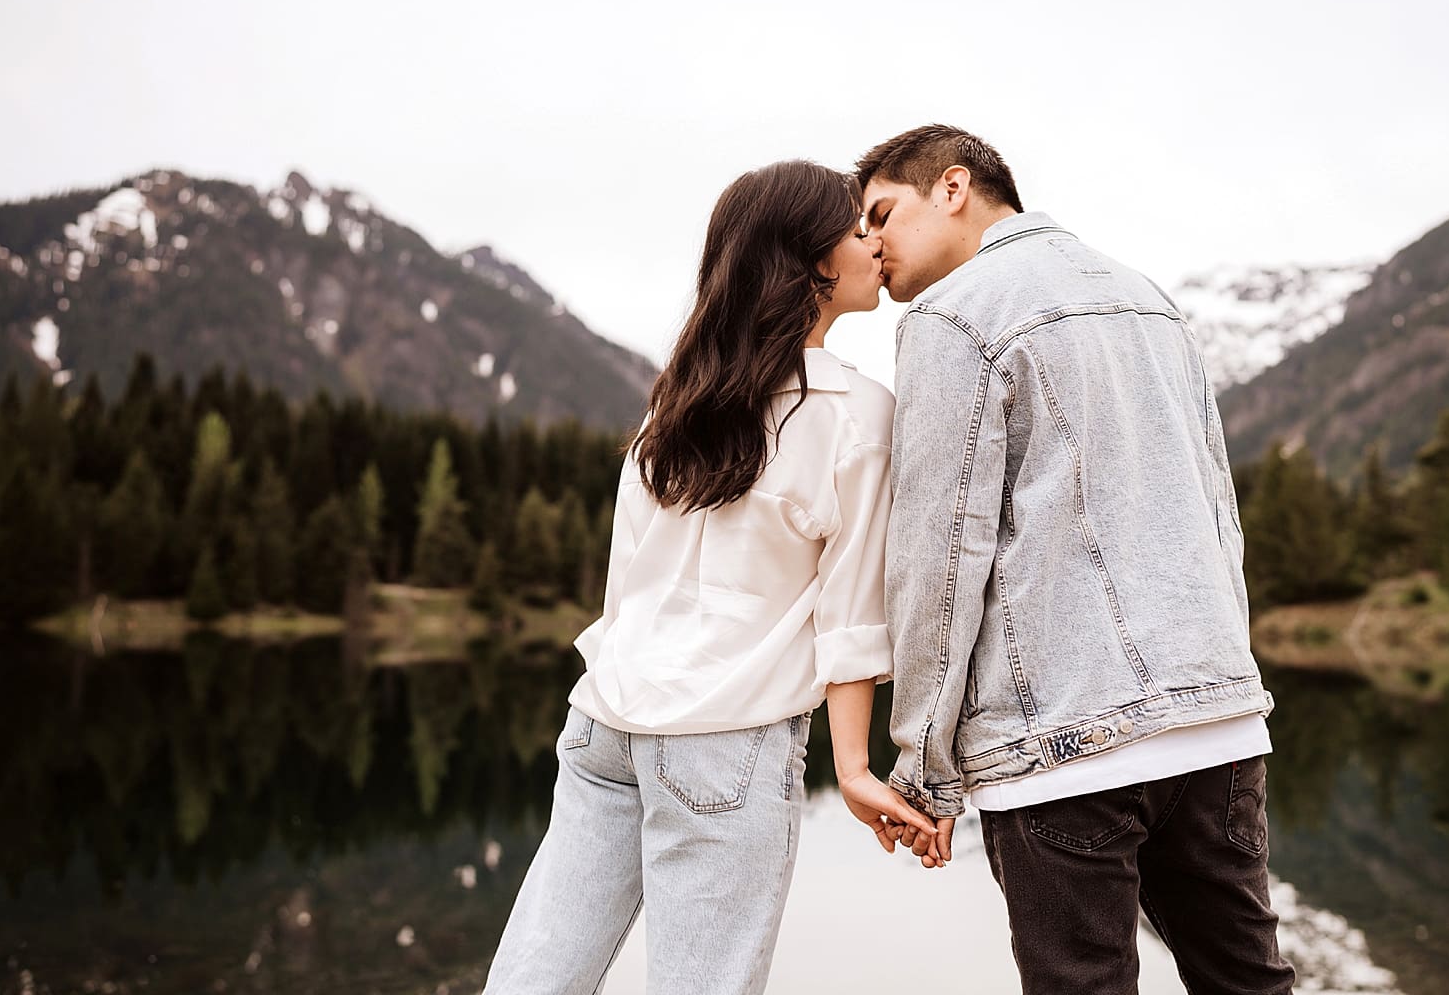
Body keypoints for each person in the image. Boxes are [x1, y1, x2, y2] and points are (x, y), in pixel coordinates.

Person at [859, 126, 1296, 994]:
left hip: (1065, 747)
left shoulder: (951, 316)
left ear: (953, 187)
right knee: (1249, 984)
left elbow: (940, 559)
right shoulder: (1150, 298)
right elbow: (1221, 516)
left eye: (881, 213)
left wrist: (925, 771)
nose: (870, 243)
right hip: (1219, 729)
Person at [483, 159, 936, 995]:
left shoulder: (676, 406)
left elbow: (628, 587)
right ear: (810, 263)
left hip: (603, 723)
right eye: (855, 227)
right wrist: (854, 767)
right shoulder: (857, 413)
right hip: (723, 737)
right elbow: (850, 616)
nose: (875, 241)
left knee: (536, 976)